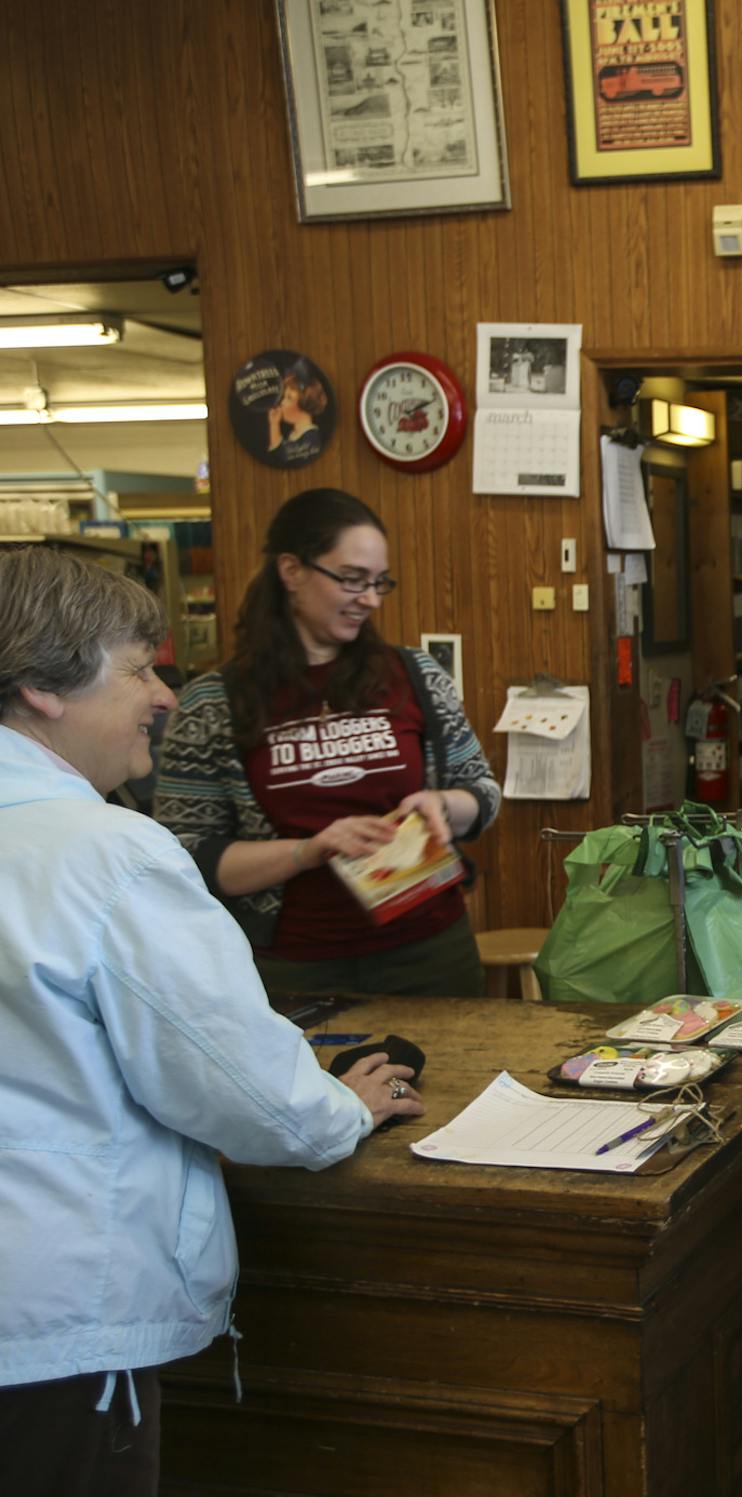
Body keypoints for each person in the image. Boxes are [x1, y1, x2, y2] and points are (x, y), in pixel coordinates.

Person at [0, 546, 424, 1497]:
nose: (162, 695)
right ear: (39, 688)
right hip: (54, 1318)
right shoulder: (108, 853)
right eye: (138, 669)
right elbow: (241, 1090)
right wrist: (339, 1107)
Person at [157, 488, 502, 997]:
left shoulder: (416, 676)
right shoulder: (213, 703)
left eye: (379, 582)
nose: (370, 598)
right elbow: (186, 855)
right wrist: (309, 850)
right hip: (291, 966)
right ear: (292, 571)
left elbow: (483, 792)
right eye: (351, 579)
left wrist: (445, 805)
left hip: (429, 952)